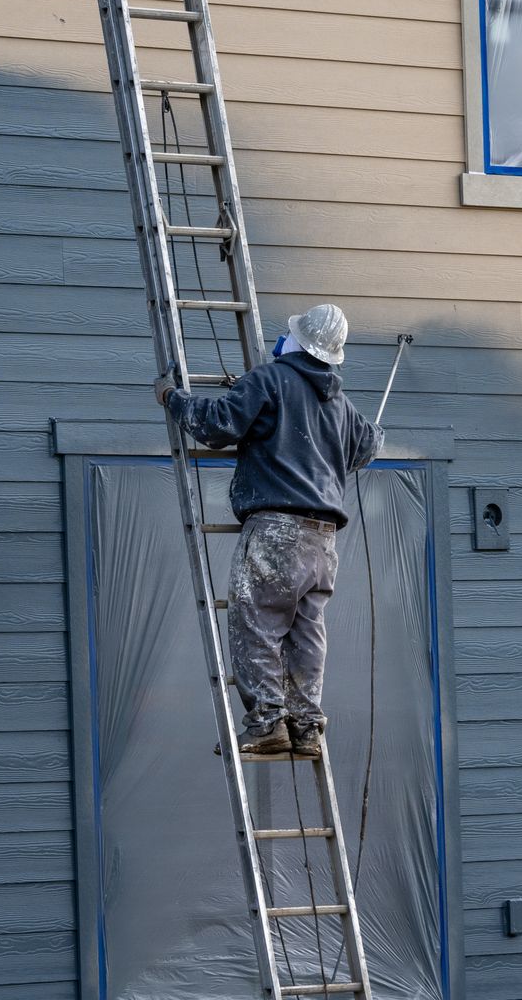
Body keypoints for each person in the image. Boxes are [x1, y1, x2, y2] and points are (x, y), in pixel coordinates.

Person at [157, 304, 382, 757]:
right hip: (323, 540)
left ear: (297, 341)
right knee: (306, 632)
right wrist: (368, 435)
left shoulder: (270, 379)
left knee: (256, 622)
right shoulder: (342, 404)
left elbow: (217, 425)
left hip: (276, 530)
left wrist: (172, 398)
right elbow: (367, 447)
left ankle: (266, 725)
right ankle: (306, 727)